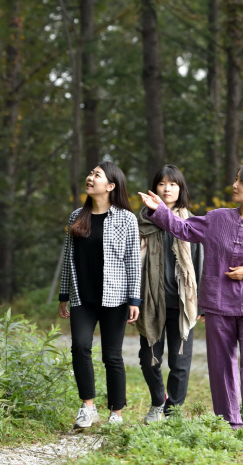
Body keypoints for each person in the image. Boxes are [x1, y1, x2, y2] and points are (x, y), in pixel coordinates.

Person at [139, 162, 243, 441]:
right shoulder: (217, 218)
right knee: (221, 364)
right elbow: (182, 229)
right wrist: (157, 209)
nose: (234, 184)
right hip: (219, 305)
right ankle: (230, 424)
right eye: (235, 178)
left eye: (239, 181)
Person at [58, 161, 141, 429]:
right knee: (80, 346)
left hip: (114, 298)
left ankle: (116, 413)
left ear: (111, 185)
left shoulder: (126, 219)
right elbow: (68, 257)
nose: (89, 177)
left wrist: (134, 299)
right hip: (82, 297)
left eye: (97, 175)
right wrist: (63, 294)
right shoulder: (76, 217)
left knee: (111, 355)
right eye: (90, 173)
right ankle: (88, 407)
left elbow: (132, 261)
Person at [136, 164, 204, 423]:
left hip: (182, 302)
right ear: (154, 189)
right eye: (162, 183)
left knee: (180, 361)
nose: (167, 188)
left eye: (173, 184)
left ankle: (173, 411)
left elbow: (201, 265)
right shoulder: (142, 221)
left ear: (181, 189)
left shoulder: (191, 222)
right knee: (148, 359)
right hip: (151, 301)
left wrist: (202, 303)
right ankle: (157, 402)